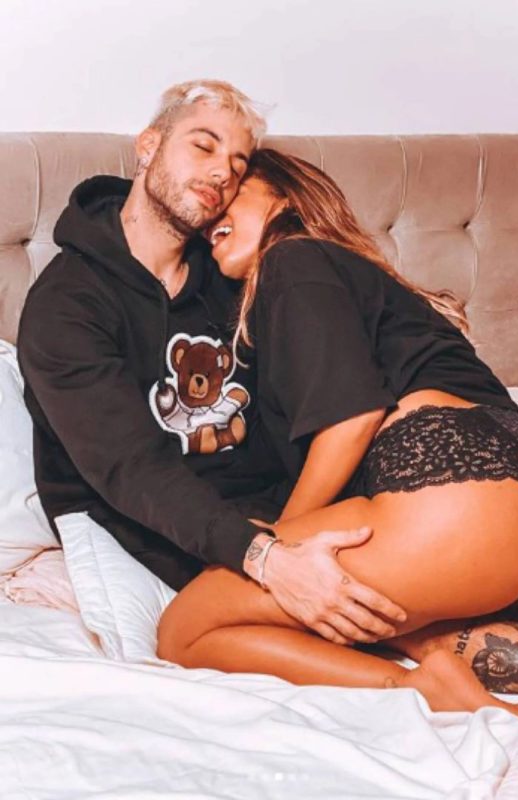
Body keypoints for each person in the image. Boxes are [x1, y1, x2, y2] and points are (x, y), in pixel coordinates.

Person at [156, 148, 518, 714]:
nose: (212, 218)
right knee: (386, 611)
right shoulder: (360, 278)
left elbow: (351, 420)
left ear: (284, 197)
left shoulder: (292, 258)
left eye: (233, 195)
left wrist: (278, 548)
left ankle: (416, 688)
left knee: (187, 627)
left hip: (455, 489)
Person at [17, 80, 408, 647]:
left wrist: (305, 529)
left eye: (238, 163)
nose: (223, 171)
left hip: (290, 513)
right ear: (148, 146)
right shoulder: (67, 304)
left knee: (422, 576)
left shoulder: (233, 277)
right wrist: (266, 556)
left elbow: (315, 395)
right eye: (203, 145)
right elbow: (131, 470)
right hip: (170, 531)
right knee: (367, 610)